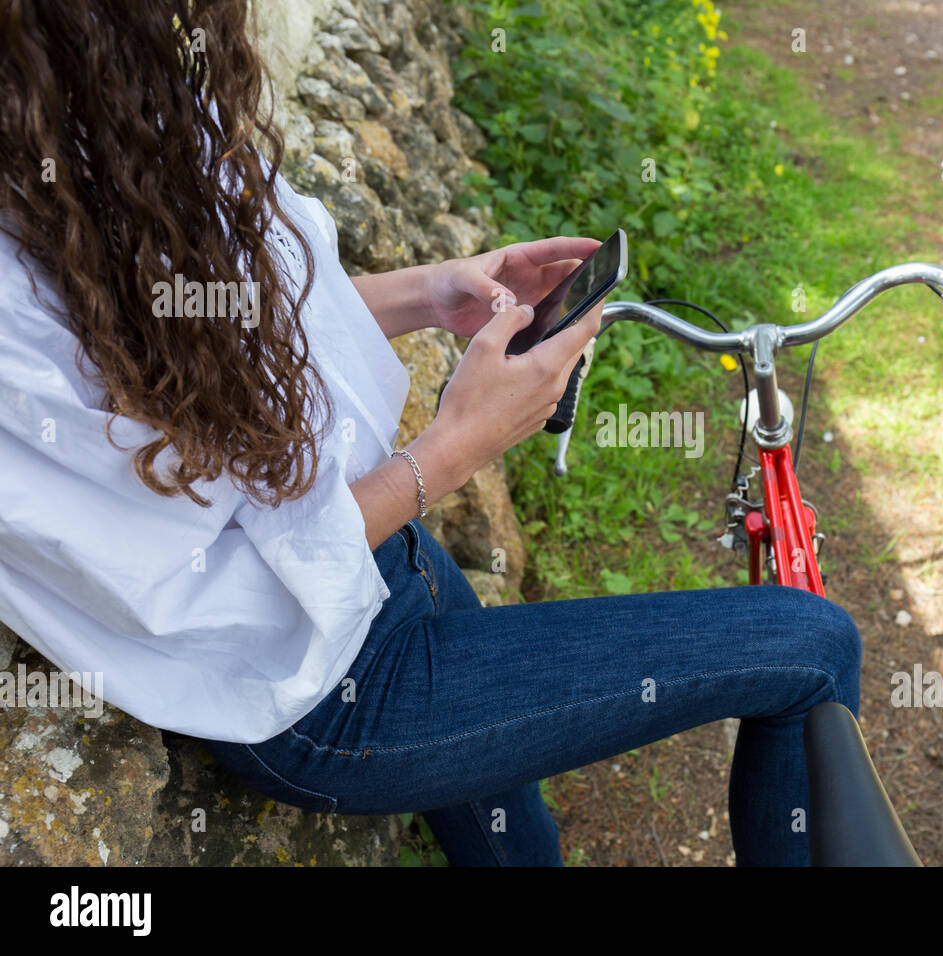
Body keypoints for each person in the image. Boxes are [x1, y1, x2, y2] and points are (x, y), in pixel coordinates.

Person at [0, 0, 861, 865]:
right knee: (812, 646)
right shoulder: (11, 324)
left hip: (380, 560)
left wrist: (427, 294)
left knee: (507, 821)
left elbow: (222, 337)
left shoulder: (114, 125)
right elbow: (212, 591)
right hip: (315, 687)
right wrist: (455, 448)